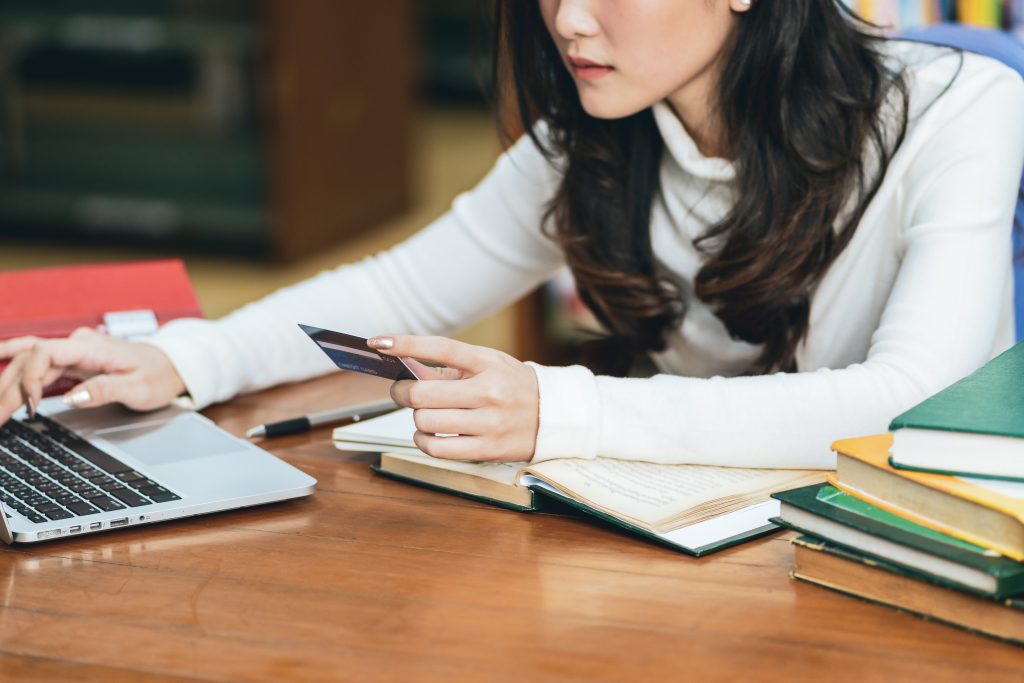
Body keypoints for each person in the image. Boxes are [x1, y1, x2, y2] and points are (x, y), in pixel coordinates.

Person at [1, 0, 1022, 469]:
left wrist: (558, 408)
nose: (567, 21)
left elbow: (906, 406)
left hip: (903, 545)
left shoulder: (960, 110)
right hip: (695, 528)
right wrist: (178, 357)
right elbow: (396, 295)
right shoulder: (597, 133)